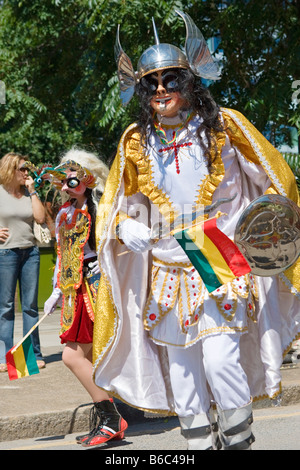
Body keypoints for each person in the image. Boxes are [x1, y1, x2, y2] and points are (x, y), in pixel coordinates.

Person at [92, 10, 300, 451]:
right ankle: (198, 446)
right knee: (182, 367)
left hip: (219, 255)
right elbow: (119, 204)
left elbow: (274, 181)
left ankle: (239, 441)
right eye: (153, 83)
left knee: (221, 358)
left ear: (190, 83)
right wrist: (127, 226)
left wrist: (265, 231)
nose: (163, 90)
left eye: (171, 80)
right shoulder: (135, 142)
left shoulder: (226, 126)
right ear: (142, 91)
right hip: (166, 267)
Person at [43, 148, 128, 447]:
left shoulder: (103, 208)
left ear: (88, 179)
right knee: (86, 355)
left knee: (74, 355)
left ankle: (110, 417)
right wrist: (56, 289)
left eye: (72, 179)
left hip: (97, 284)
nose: (65, 186)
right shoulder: (66, 212)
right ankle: (110, 418)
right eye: (63, 181)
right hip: (74, 288)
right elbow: (63, 254)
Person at [0, 152, 46, 372]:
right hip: (5, 254)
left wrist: (32, 190)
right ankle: (4, 357)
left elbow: (40, 218)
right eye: (23, 169)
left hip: (30, 254)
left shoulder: (29, 195)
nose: (27, 173)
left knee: (29, 308)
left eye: (28, 169)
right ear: (10, 169)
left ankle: (32, 356)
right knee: (6, 308)